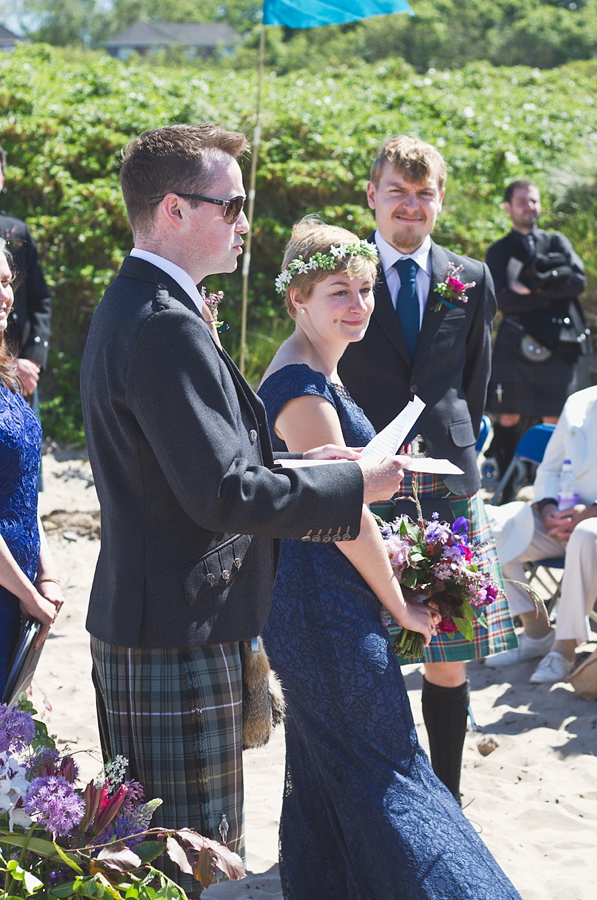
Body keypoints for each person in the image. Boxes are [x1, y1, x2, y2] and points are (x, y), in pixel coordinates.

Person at [79, 124, 410, 896]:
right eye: (230, 206)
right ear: (173, 211)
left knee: (160, 854)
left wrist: (301, 466)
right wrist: (355, 485)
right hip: (175, 631)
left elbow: (204, 469)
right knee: (189, 864)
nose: (243, 223)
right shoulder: (164, 322)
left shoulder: (148, 301)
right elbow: (222, 494)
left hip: (159, 619)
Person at [258, 217, 520, 899]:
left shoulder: (318, 370)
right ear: (297, 299)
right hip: (319, 607)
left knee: (333, 776)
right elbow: (345, 520)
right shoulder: (303, 389)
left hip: (328, 600)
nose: (358, 304)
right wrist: (402, 599)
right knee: (389, 768)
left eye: (366, 289)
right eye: (338, 291)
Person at [338, 134, 517, 805]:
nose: (410, 207)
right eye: (397, 193)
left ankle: (448, 794)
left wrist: (455, 446)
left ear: (439, 200)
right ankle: (382, 793)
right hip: (367, 476)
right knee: (370, 644)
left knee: (448, 646)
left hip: (448, 479)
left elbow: (474, 380)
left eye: (424, 194)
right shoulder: (342, 274)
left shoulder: (469, 278)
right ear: (372, 196)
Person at [486, 385, 597, 684]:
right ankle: (537, 633)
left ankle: (565, 649)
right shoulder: (579, 401)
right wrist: (547, 507)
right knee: (491, 524)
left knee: (587, 533)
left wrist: (590, 512)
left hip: (590, 526)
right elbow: (549, 468)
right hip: (560, 520)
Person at [484, 179, 589, 488]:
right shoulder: (500, 250)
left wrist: (530, 288)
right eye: (522, 202)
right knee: (507, 414)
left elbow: (577, 282)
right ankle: (505, 480)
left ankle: (548, 485)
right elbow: (502, 298)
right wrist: (551, 292)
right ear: (508, 207)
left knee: (554, 415)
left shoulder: (557, 241)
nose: (530, 207)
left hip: (558, 342)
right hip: (515, 340)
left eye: (533, 201)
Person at [0, 238, 63, 703]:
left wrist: (47, 572)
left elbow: (20, 489)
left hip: (16, 587)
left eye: (6, 282)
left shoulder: (7, 372)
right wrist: (28, 594)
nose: (4, 296)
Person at [0, 146, 52, 399]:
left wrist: (32, 359)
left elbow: (40, 298)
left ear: (3, 180)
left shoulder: (18, 231)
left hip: (24, 369)